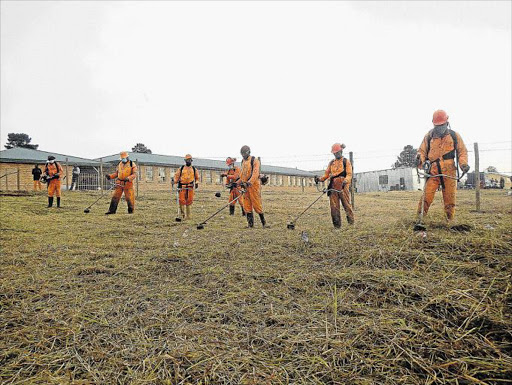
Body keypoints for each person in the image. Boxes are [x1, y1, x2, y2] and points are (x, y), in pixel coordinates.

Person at [416, 109, 469, 222]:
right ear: (433, 124)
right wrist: (419, 158)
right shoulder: (429, 136)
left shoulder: (454, 136)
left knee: (450, 199)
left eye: (442, 125)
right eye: (437, 126)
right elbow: (422, 151)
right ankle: (419, 218)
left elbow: (462, 151)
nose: (440, 128)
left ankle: (449, 220)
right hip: (433, 172)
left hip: (449, 171)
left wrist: (463, 164)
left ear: (447, 122)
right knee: (426, 196)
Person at [315, 143, 354, 228]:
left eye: (337, 152)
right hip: (333, 186)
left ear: (341, 151)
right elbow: (326, 175)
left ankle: (351, 223)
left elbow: (349, 174)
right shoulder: (331, 163)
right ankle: (337, 226)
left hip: (343, 186)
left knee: (347, 205)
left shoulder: (346, 161)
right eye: (334, 153)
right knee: (334, 207)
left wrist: (346, 181)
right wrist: (320, 179)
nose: (336, 154)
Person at [238, 145, 268, 228]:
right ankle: (250, 225)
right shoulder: (243, 161)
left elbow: (255, 174)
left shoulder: (255, 161)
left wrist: (248, 183)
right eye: (242, 154)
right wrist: (236, 183)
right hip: (245, 186)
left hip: (254, 186)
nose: (243, 156)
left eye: (244, 154)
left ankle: (264, 223)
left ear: (248, 152)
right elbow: (242, 175)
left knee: (256, 204)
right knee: (246, 205)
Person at [174, 154, 200, 220]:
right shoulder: (181, 168)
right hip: (182, 187)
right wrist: (174, 182)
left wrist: (197, 183)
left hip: (190, 187)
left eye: (189, 160)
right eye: (187, 160)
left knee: (189, 201)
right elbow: (176, 176)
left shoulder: (194, 169)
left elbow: (197, 178)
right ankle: (182, 215)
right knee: (181, 201)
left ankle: (188, 216)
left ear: (191, 160)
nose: (188, 161)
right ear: (185, 161)